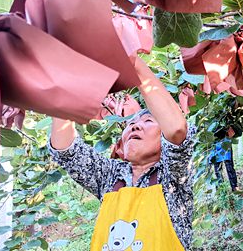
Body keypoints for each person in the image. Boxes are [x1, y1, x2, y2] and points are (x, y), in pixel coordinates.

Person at [49, 59, 195, 251]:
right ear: (120, 148)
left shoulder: (172, 177)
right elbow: (65, 150)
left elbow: (176, 130)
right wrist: (65, 87)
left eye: (149, 121)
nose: (135, 125)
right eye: (130, 125)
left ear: (164, 140)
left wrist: (133, 63)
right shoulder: (110, 175)